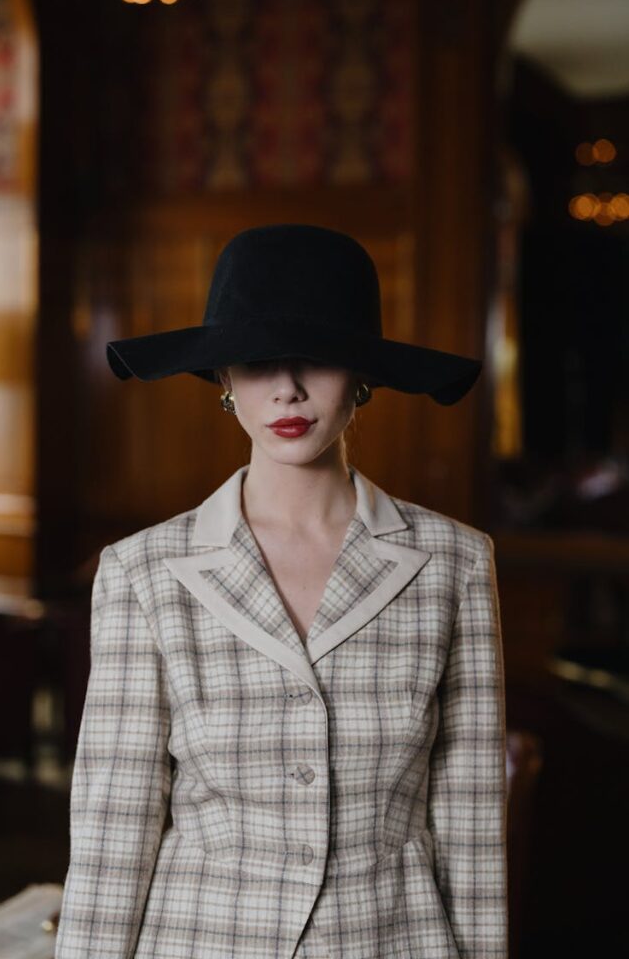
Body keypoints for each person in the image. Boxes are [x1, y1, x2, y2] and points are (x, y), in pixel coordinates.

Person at [55, 224, 508, 959]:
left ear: (362, 374)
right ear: (222, 379)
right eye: (259, 361)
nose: (288, 388)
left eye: (319, 356)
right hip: (201, 940)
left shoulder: (452, 562)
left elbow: (470, 815)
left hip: (391, 940)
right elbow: (115, 822)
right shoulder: (143, 570)